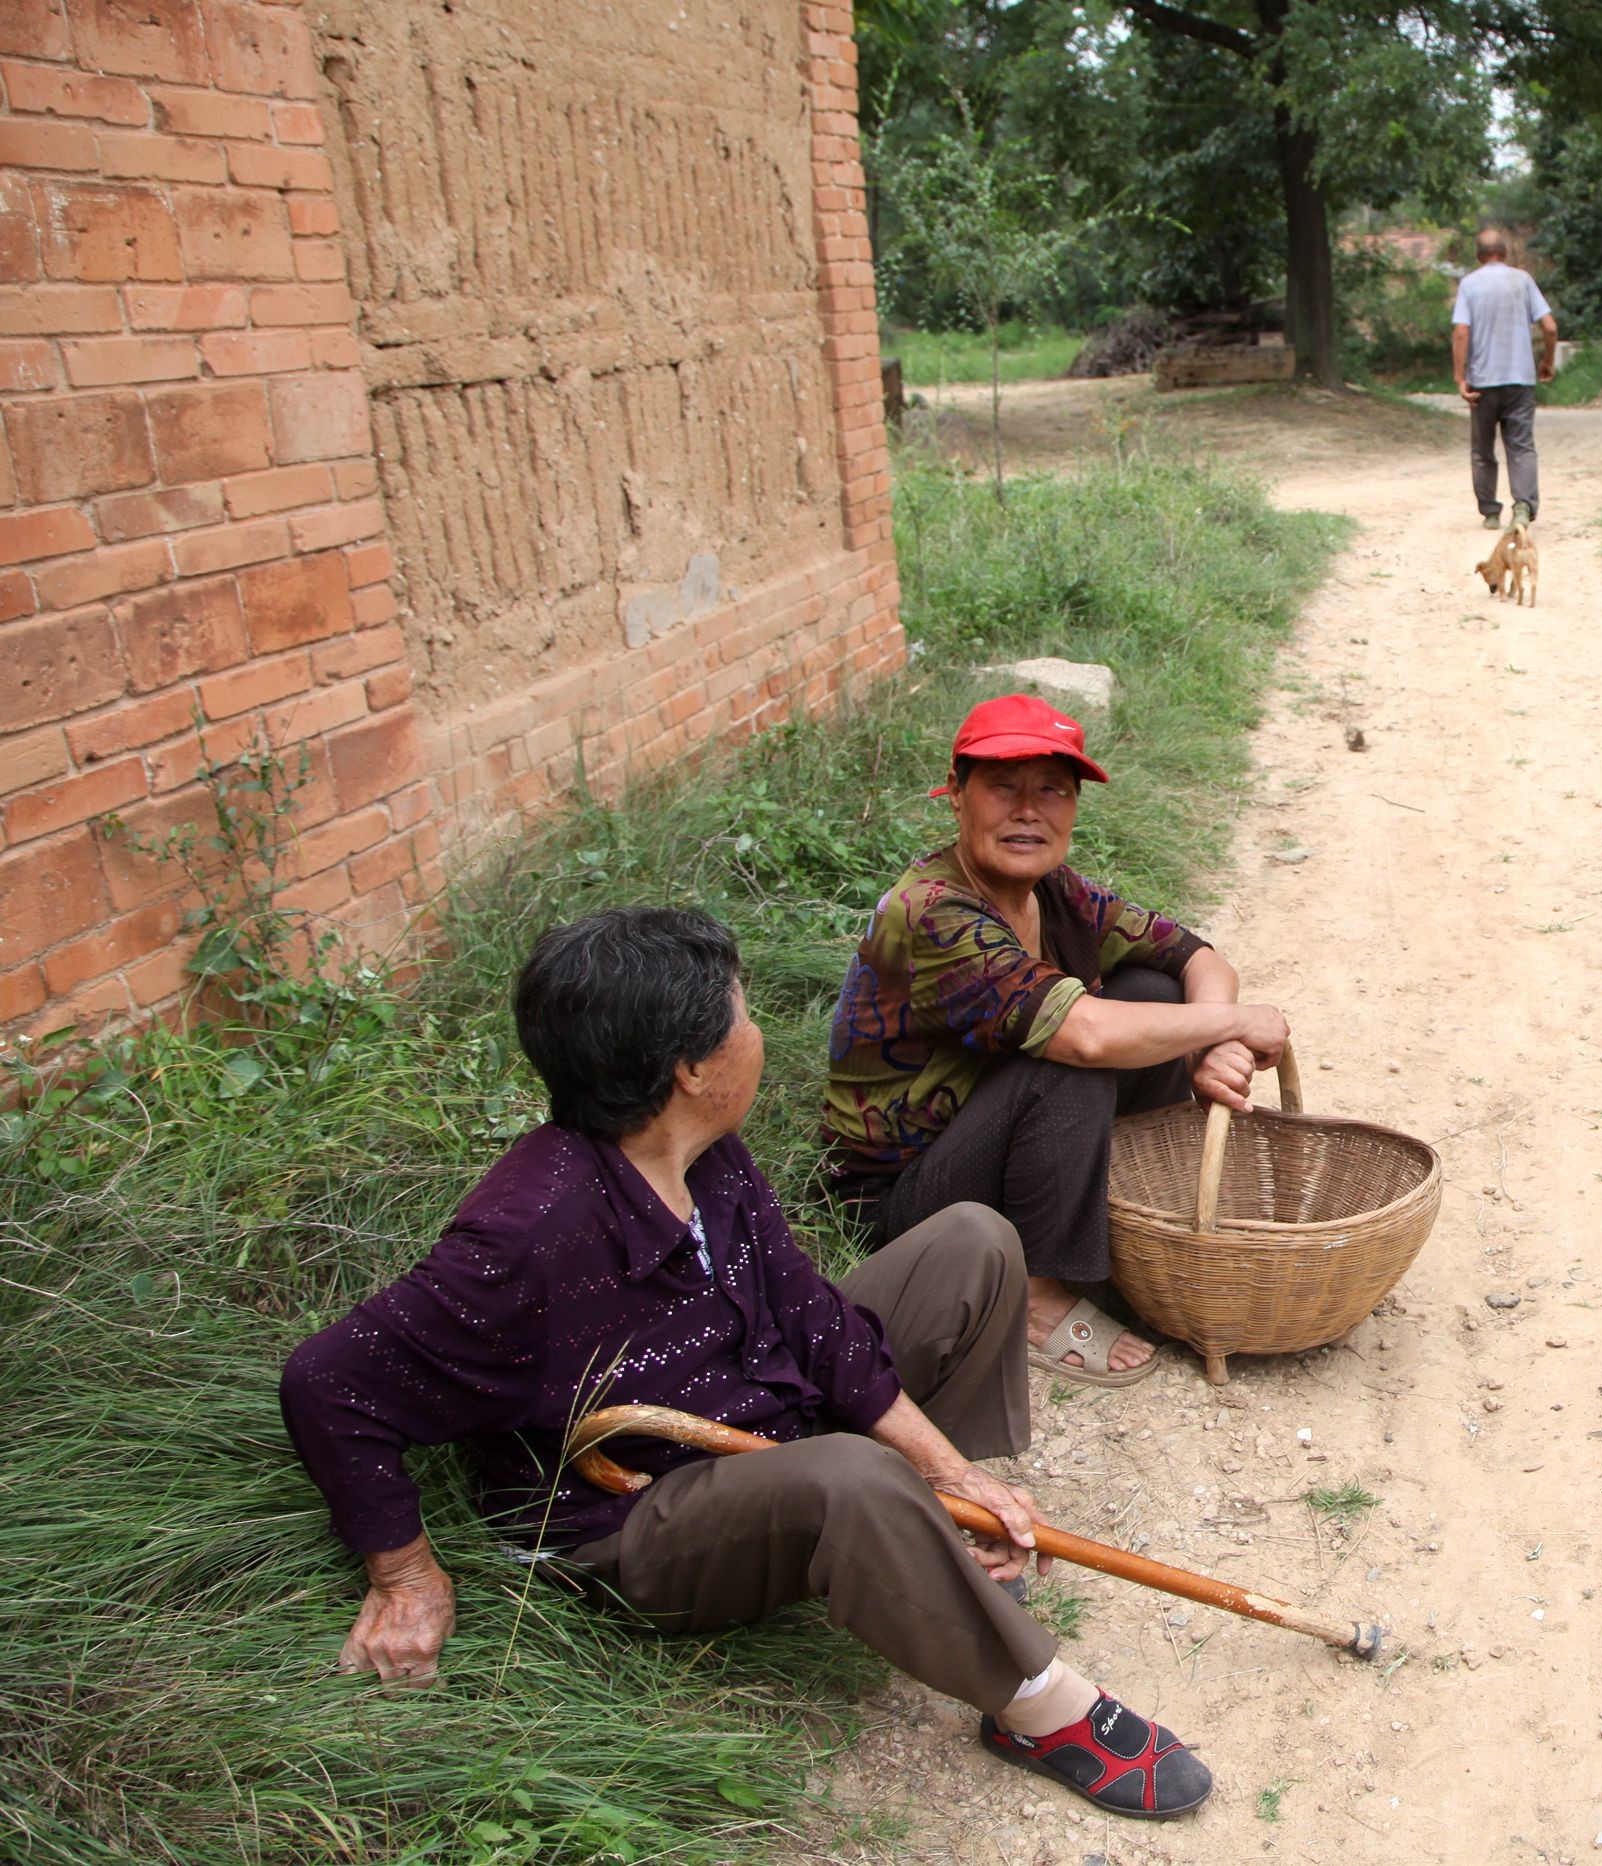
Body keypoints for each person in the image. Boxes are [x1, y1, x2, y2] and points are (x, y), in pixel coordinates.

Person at [279, 908, 1214, 1818]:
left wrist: (947, 1470)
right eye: (742, 1014)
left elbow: (813, 1314)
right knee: (852, 1474)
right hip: (636, 1522)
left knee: (973, 1241)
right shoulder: (524, 1235)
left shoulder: (704, 1153)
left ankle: (920, 1538)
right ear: (689, 1069)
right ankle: (1036, 1707)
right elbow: (327, 1384)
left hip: (760, 1423)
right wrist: (407, 1575)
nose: (756, 1033)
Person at [823, 693, 1290, 1383]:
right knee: (1074, 1057)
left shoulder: (1057, 892)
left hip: (987, 1137)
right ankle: (1037, 1295)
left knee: (1153, 993)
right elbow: (1087, 1039)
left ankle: (1128, 1212)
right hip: (906, 1201)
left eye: (1052, 791)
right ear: (956, 796)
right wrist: (1234, 1023)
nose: (1028, 810)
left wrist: (1211, 1043)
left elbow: (1197, 958)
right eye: (1002, 787)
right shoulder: (933, 913)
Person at [1451, 226, 1557, 530]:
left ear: (1478, 256)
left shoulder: (1469, 285)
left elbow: (1461, 331)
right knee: (1521, 446)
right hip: (1520, 379)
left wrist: (1460, 377)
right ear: (1505, 253)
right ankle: (1523, 506)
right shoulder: (1522, 281)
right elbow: (1549, 327)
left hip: (1482, 382)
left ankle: (1490, 512)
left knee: (1483, 449)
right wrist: (1547, 360)